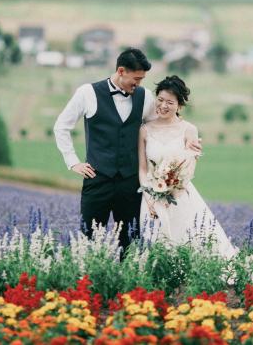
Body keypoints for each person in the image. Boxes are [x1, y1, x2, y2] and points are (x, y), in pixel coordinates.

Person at [54, 48, 200, 253]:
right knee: (88, 240)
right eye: (137, 78)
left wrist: (186, 139)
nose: (139, 84)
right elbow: (61, 126)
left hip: (131, 184)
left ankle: (129, 285)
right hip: (97, 179)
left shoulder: (145, 96)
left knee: (131, 243)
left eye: (142, 79)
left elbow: (158, 128)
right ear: (121, 71)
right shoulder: (87, 92)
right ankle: (87, 284)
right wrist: (73, 162)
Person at [138, 75, 236, 259]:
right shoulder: (144, 130)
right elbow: (143, 169)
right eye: (160, 100)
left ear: (179, 105)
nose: (163, 106)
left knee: (188, 243)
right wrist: (150, 198)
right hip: (151, 198)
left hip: (180, 195)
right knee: (154, 249)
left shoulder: (188, 129)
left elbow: (189, 168)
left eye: (170, 102)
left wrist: (170, 193)